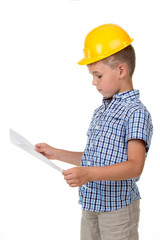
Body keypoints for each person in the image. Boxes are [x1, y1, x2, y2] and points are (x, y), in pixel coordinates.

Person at [35, 24, 153, 240]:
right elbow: (95, 159)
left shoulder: (135, 112)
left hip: (117, 211)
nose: (93, 82)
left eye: (98, 75)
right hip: (91, 203)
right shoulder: (101, 111)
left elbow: (135, 166)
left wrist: (88, 174)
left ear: (120, 70)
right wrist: (56, 153)